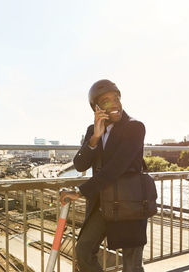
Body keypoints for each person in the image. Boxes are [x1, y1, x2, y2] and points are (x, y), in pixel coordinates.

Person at [60, 79, 147, 272]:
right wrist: (95, 138)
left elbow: (116, 168)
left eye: (116, 98)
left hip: (129, 203)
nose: (114, 103)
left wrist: (80, 191)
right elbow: (80, 164)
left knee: (132, 266)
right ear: (97, 108)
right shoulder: (93, 130)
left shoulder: (135, 127)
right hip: (102, 204)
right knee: (83, 250)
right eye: (106, 101)